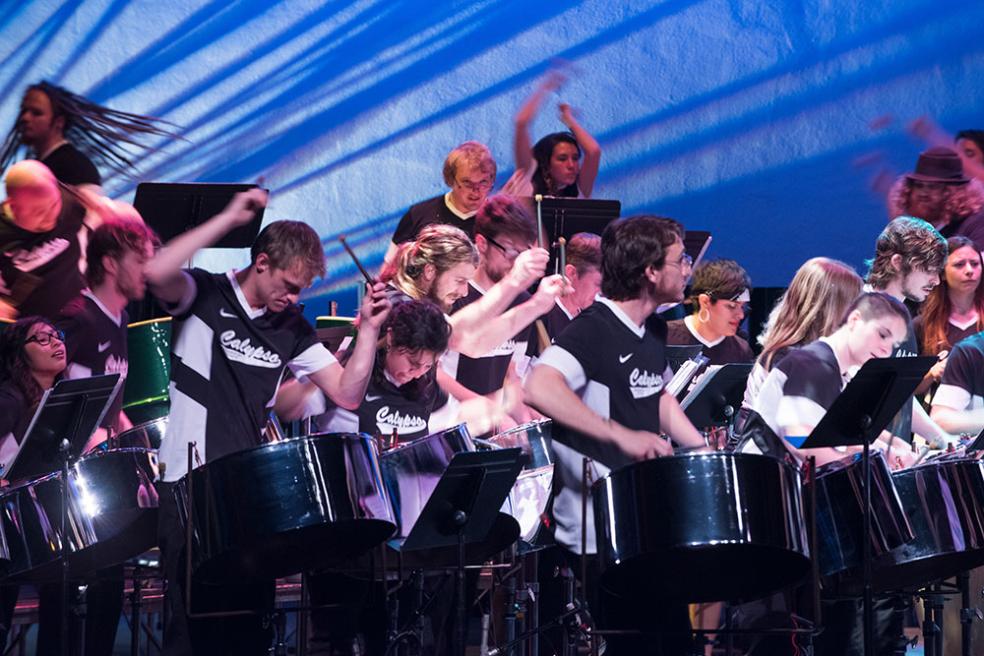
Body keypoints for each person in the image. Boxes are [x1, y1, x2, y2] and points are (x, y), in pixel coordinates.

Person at [145, 188, 392, 655]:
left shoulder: (291, 327)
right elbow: (155, 272)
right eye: (289, 284)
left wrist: (370, 330)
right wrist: (228, 219)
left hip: (246, 495)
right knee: (191, 631)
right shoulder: (204, 293)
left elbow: (346, 391)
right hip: (187, 484)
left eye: (301, 289)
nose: (293, 297)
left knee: (246, 630)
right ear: (261, 262)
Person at [524, 214, 706, 655]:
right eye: (680, 260)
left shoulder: (653, 328)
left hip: (645, 522)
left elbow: (656, 392)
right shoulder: (594, 329)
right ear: (650, 271)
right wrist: (619, 436)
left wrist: (701, 448)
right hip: (597, 529)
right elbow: (539, 386)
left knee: (675, 644)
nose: (688, 270)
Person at [0, 317, 67, 651]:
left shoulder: (59, 402)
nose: (56, 342)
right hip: (5, 528)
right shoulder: (10, 400)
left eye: (57, 335)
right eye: (42, 339)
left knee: (64, 585)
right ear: (19, 354)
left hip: (33, 521)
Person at [741, 257, 863, 422]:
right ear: (827, 309)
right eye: (853, 304)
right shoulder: (785, 361)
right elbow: (800, 436)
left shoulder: (834, 359)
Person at [1, 81, 177, 189]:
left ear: (59, 122)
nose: (25, 117)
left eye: (36, 113)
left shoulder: (75, 167)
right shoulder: (40, 164)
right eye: (23, 110)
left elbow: (90, 224)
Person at [382, 141, 496, 268]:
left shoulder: (499, 221)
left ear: (492, 181)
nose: (476, 190)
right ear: (450, 180)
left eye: (483, 182)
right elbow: (390, 268)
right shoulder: (418, 214)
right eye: (467, 182)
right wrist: (379, 286)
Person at [508, 70, 602, 198]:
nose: (571, 165)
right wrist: (544, 89)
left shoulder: (579, 189)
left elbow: (594, 151)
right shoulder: (527, 181)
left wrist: (569, 120)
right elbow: (521, 122)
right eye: (562, 159)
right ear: (546, 163)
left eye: (575, 158)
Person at [912, 235, 984, 397]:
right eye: (959, 265)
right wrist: (931, 373)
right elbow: (904, 391)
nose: (969, 271)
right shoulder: (921, 325)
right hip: (942, 418)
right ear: (942, 274)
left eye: (975, 264)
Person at [887, 146, 984, 249]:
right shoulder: (914, 233)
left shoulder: (976, 225)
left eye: (932, 187)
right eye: (919, 186)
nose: (923, 194)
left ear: (955, 193)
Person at [666, 259, 755, 365]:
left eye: (742, 307)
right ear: (705, 302)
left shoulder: (742, 351)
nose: (740, 315)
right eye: (732, 306)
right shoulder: (664, 336)